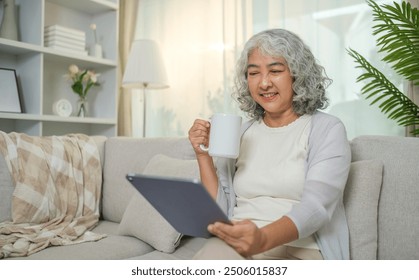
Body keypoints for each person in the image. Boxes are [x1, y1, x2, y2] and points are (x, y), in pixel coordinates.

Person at [188, 28, 351, 260]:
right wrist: (202, 154)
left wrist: (261, 239)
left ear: (298, 74)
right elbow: (220, 211)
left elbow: (316, 208)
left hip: (300, 249)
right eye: (254, 73)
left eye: (275, 70)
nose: (264, 83)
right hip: (238, 246)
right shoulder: (242, 132)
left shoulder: (327, 129)